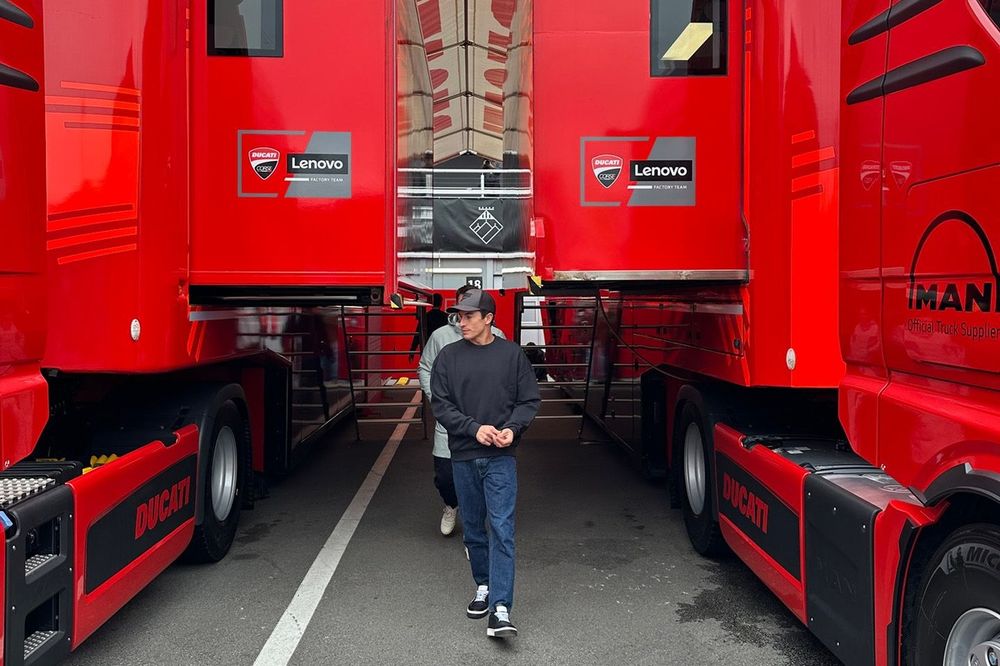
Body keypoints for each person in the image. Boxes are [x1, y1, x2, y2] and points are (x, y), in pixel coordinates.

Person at [430, 288, 540, 639]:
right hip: (464, 454)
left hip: (501, 458)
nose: (461, 322)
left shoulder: (512, 355)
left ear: (488, 318)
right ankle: (484, 585)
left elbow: (528, 401)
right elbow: (441, 405)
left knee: (502, 528)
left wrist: (512, 429)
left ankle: (501, 609)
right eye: (459, 316)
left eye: (469, 316)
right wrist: (474, 429)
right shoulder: (448, 357)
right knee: (475, 529)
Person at [418, 286, 505, 537]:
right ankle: (451, 505)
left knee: (480, 480)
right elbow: (425, 368)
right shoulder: (440, 336)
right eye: (461, 309)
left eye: (471, 310)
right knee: (445, 477)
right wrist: (436, 398)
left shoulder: (497, 336)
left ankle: (474, 535)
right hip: (450, 423)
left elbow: (506, 374)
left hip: (485, 423)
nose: (464, 317)